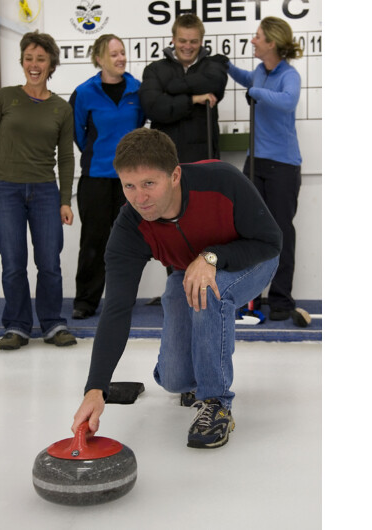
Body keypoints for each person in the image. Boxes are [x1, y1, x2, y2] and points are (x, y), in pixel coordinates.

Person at [71, 129, 281, 449]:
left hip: (253, 258)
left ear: (175, 175)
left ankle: (216, 403)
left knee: (208, 290)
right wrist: (95, 388)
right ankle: (192, 380)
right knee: (174, 380)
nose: (139, 198)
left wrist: (212, 257)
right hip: (191, 270)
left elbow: (271, 241)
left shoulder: (222, 181)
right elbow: (116, 308)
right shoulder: (130, 227)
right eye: (129, 186)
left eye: (149, 184)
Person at [0, 31, 77, 350]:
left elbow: (67, 157)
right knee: (13, 262)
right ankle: (17, 326)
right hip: (5, 191)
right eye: (29, 58)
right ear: (22, 62)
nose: (34, 64)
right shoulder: (5, 98)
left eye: (41, 59)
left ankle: (52, 323)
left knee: (50, 262)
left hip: (46, 192)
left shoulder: (61, 108)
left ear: (51, 64)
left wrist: (64, 201)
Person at [139, 13, 230, 304]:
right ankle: (177, 292)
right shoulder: (155, 69)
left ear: (201, 41)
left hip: (203, 163)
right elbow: (155, 108)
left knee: (204, 227)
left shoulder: (214, 65)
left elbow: (215, 81)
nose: (187, 46)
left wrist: (173, 89)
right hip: (166, 162)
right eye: (182, 41)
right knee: (168, 227)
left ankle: (202, 287)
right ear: (173, 39)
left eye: (193, 42)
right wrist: (193, 98)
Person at [228, 17, 306, 323]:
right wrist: (226, 67)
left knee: (281, 232)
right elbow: (250, 80)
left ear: (271, 42)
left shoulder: (290, 75)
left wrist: (257, 94)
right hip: (255, 162)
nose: (253, 40)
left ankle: (281, 300)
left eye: (257, 36)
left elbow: (288, 102)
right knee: (250, 231)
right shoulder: (261, 71)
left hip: (283, 165)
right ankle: (249, 299)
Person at [68, 34, 146, 320]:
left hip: (130, 181)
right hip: (96, 178)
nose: (121, 58)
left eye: (122, 52)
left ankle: (121, 300)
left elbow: (139, 127)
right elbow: (78, 134)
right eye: (114, 54)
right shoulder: (84, 93)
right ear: (99, 58)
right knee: (94, 241)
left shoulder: (138, 90)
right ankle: (86, 301)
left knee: (127, 241)